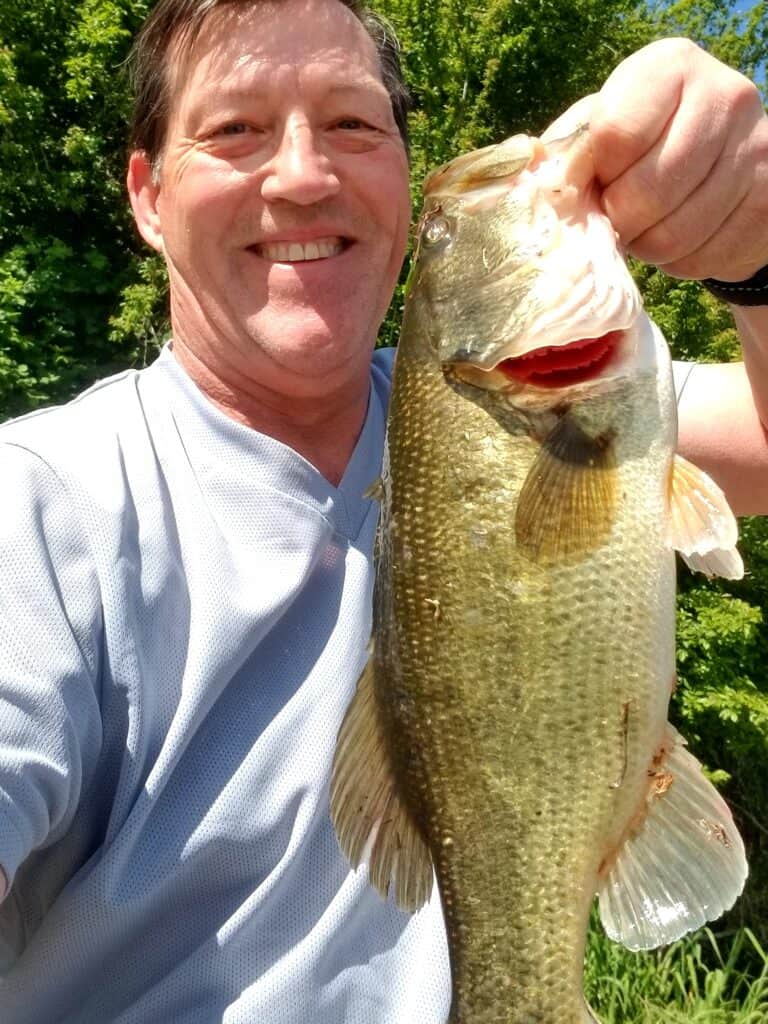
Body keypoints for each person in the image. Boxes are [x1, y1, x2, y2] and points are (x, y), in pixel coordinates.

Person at [0, 0, 765, 1020]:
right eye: (233, 130)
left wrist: (757, 260)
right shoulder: (40, 501)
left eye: (355, 125)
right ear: (147, 197)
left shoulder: (525, 405)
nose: (305, 175)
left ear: (404, 175)